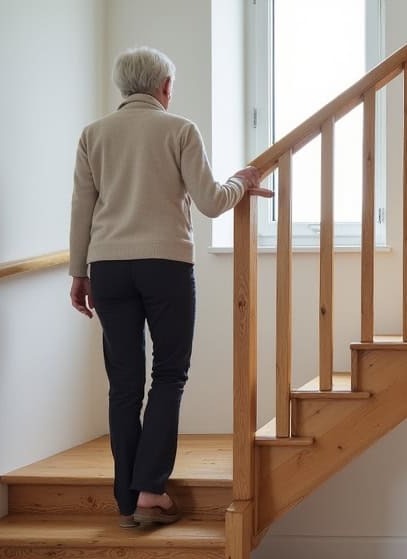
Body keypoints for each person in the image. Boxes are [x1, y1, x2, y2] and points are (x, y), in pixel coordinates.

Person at [68, 47, 273, 528]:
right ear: (165, 86)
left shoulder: (93, 135)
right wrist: (241, 182)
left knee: (123, 383)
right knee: (169, 374)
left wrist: (80, 272)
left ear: (123, 87)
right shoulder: (179, 129)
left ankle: (126, 499)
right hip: (165, 265)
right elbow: (211, 202)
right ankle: (150, 491)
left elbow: (82, 208)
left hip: (109, 268)